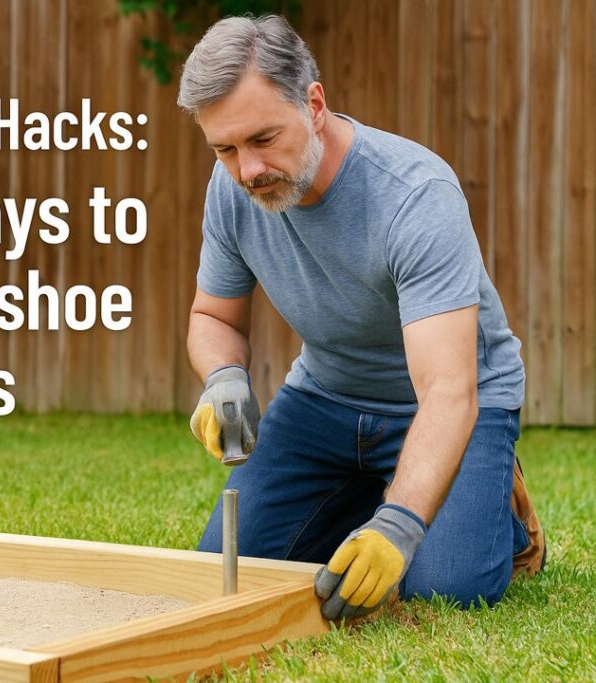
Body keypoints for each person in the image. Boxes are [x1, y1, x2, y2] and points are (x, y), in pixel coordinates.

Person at [180, 14, 545, 620]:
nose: (248, 170)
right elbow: (212, 316)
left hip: (443, 405)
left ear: (314, 103)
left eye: (263, 138)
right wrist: (223, 377)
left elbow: (450, 390)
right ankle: (366, 492)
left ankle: (499, 510)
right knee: (229, 568)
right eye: (225, 149)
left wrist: (399, 525)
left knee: (447, 588)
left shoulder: (414, 195)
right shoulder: (233, 192)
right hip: (324, 401)